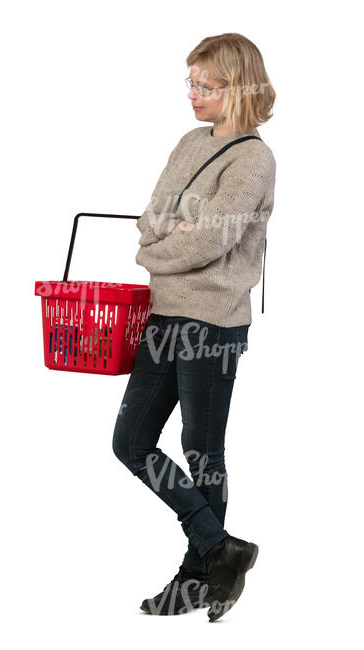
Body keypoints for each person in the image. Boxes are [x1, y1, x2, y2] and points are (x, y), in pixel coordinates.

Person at [112, 32, 276, 623]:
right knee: (130, 442)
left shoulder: (254, 158)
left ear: (238, 88)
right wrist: (167, 238)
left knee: (202, 452)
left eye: (205, 85)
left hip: (213, 322)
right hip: (164, 313)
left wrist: (170, 242)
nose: (193, 95)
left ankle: (196, 575)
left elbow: (215, 237)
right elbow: (150, 218)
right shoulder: (189, 142)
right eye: (191, 83)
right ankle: (220, 549)